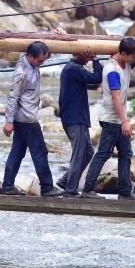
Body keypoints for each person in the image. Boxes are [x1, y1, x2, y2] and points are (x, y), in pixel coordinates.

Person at [81, 37, 135, 200]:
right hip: (111, 119)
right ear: (123, 53)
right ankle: (87, 190)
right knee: (103, 154)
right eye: (133, 56)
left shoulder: (126, 63)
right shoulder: (112, 70)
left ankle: (124, 191)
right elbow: (116, 98)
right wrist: (125, 122)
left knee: (126, 153)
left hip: (118, 118)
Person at [0, 41, 60, 197]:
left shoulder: (32, 65)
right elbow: (13, 97)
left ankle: (7, 185)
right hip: (27, 119)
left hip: (24, 118)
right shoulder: (22, 72)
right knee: (40, 153)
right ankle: (46, 187)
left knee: (17, 153)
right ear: (30, 56)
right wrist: (9, 121)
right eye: (40, 60)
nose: (42, 63)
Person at [57, 50, 103, 198]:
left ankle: (65, 181)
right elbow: (96, 78)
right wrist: (96, 60)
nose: (89, 59)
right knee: (79, 154)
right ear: (80, 54)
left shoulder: (72, 68)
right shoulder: (74, 69)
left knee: (88, 152)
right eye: (87, 55)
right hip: (75, 119)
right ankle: (70, 190)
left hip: (76, 118)